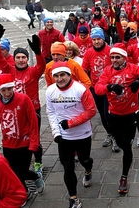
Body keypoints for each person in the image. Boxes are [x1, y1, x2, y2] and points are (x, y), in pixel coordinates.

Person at [94, 43, 139, 194]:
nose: (114, 60)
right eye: (112, 57)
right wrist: (109, 87)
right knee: (121, 143)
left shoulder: (133, 68)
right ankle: (121, 144)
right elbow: (98, 89)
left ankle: (124, 177)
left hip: (130, 114)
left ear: (124, 58)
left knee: (127, 147)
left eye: (118, 57)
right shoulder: (107, 71)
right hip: (114, 114)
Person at [0, 24, 46, 178]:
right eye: (18, 58)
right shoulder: (9, 70)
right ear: (14, 59)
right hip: (15, 109)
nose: (21, 60)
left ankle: (38, 162)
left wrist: (38, 52)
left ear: (27, 59)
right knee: (20, 138)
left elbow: (42, 65)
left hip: (33, 109)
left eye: (23, 57)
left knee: (34, 137)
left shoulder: (34, 72)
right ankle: (23, 167)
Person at [0, 74, 45, 203]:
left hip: (24, 143)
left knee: (21, 172)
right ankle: (25, 191)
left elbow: (33, 122)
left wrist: (34, 143)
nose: (7, 93)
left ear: (13, 87)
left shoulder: (23, 99)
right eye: (4, 90)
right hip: (8, 145)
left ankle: (34, 178)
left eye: (9, 89)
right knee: (13, 173)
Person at [46, 61, 96, 208]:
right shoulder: (50, 91)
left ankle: (88, 169)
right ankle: (73, 199)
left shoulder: (80, 89)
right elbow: (51, 112)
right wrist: (56, 132)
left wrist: (71, 123)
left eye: (62, 75)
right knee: (68, 167)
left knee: (84, 159)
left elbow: (91, 111)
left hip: (82, 134)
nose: (59, 79)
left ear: (69, 75)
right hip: (64, 137)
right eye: (56, 76)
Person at [82, 28, 120, 152]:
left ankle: (115, 136)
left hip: (109, 88)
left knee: (108, 113)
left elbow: (117, 65)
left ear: (103, 39)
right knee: (102, 114)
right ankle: (110, 133)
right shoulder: (89, 53)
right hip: (95, 87)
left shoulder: (110, 50)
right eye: (94, 39)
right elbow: (84, 70)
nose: (96, 42)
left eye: (99, 39)